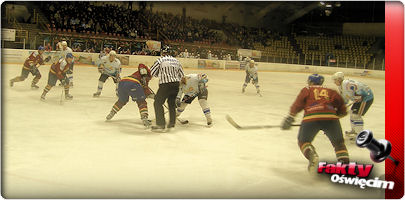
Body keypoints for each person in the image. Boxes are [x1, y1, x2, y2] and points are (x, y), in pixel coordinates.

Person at [281, 74, 349, 173]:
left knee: (303, 141)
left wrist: (290, 118)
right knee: (339, 143)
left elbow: (297, 104)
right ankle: (345, 166)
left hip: (311, 117)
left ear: (311, 82)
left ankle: (311, 154)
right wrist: (335, 115)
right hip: (331, 118)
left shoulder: (307, 89)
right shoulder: (331, 91)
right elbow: (342, 108)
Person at [332, 72, 374, 139]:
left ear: (339, 79)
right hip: (360, 99)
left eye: (335, 80)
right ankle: (354, 130)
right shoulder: (341, 85)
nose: (334, 82)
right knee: (352, 112)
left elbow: (350, 97)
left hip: (366, 98)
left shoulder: (346, 85)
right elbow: (345, 99)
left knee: (356, 115)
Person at [150, 49, 184, 131]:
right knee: (171, 103)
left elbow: (152, 72)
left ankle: (161, 124)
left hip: (165, 84)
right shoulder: (177, 61)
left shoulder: (160, 60)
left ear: (163, 53)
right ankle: (172, 122)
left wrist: (161, 74)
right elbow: (182, 75)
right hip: (176, 84)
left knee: (157, 103)